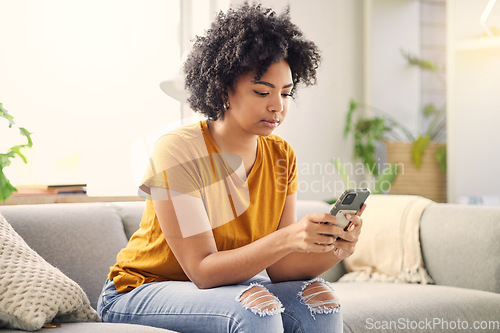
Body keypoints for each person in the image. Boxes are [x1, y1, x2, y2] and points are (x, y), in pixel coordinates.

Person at [97, 3, 365, 332]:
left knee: (320, 302)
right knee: (256, 308)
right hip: (139, 290)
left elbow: (281, 269)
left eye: (286, 93)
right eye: (262, 91)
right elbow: (203, 270)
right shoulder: (177, 150)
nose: (277, 106)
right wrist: (287, 238)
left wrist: (336, 247)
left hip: (218, 291)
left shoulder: (282, 156)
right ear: (225, 89)